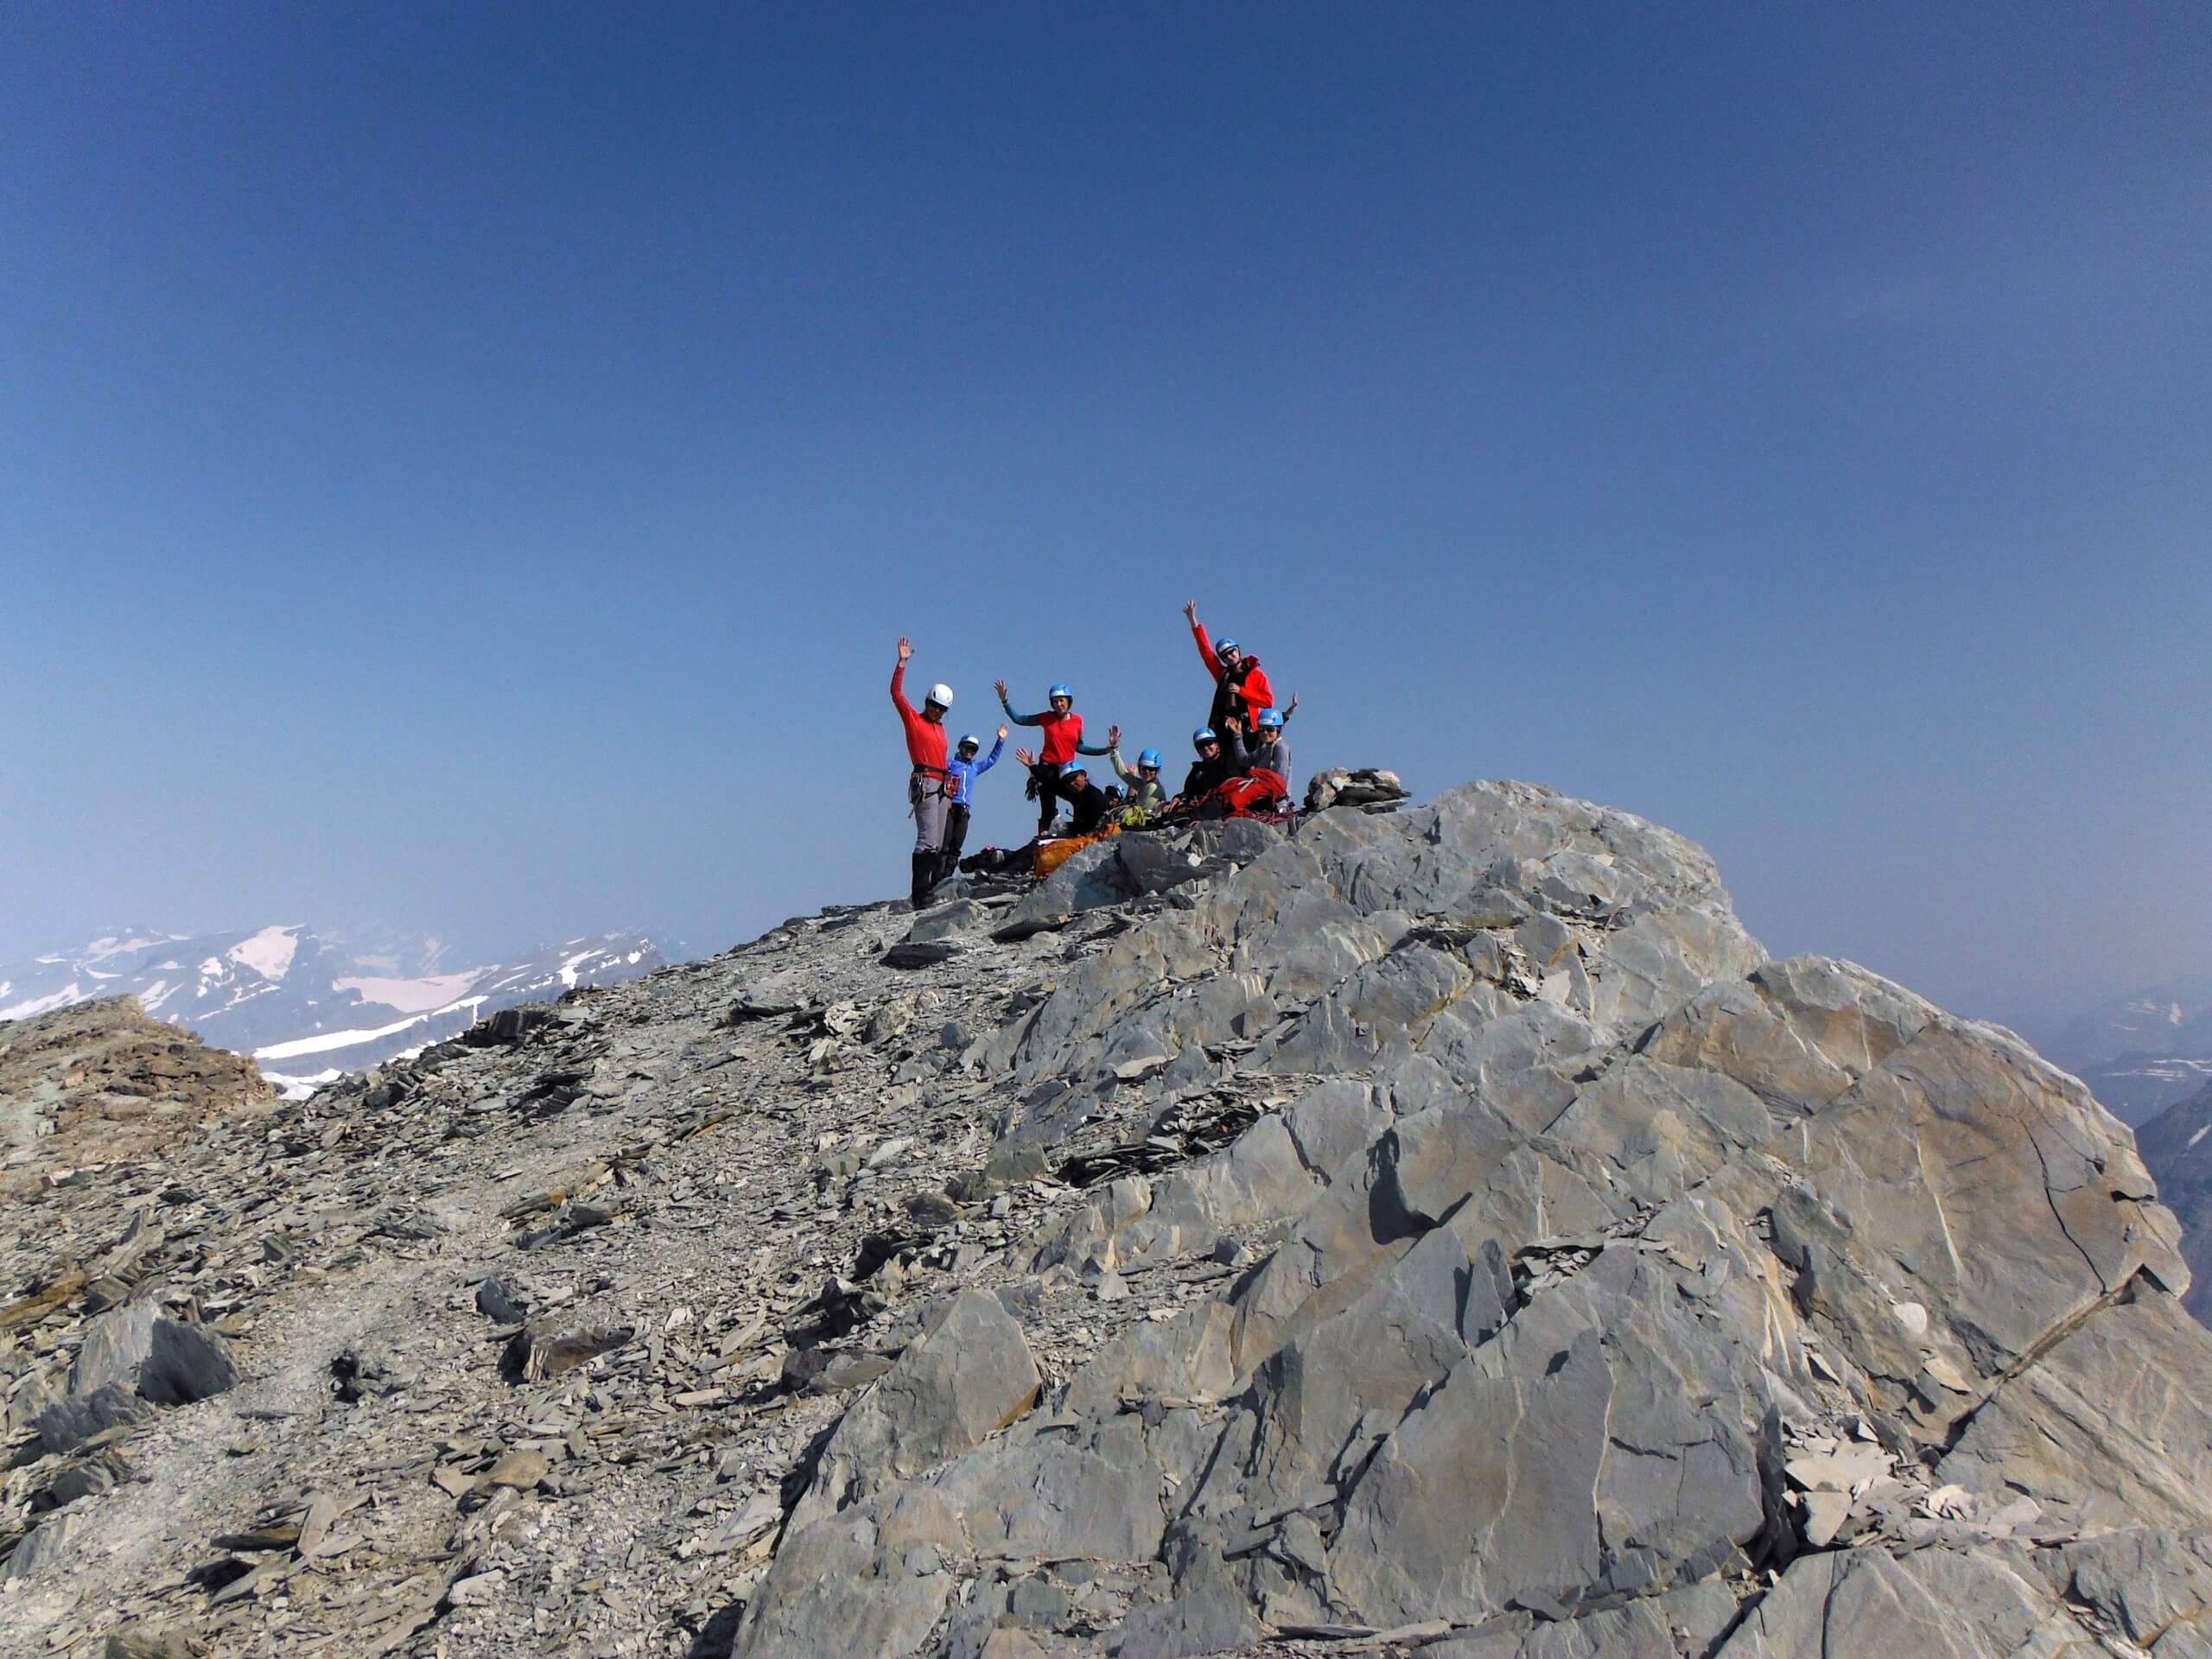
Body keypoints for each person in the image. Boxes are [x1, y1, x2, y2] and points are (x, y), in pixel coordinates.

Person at [997, 677, 1113, 834]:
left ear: (1069, 701)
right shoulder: (1047, 718)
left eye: (1061, 700)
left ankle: (1080, 830)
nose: (1058, 704)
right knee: (1048, 806)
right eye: (1055, 701)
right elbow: (1020, 719)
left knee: (1079, 799)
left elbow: (1079, 747)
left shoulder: (1078, 720)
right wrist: (1005, 702)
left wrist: (1105, 750)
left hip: (1068, 771)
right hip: (1047, 767)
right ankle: (1044, 837)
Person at [890, 638, 956, 907]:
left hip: (942, 783)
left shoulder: (940, 729)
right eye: (934, 705)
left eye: (942, 709)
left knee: (938, 842)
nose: (936, 711)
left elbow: (943, 757)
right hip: (926, 781)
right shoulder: (914, 721)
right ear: (927, 701)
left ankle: (928, 889)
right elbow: (897, 695)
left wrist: (950, 786)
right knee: (927, 840)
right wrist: (902, 664)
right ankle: (920, 894)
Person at [1184, 599, 1275, 740]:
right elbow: (1206, 653)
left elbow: (1268, 701)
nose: (1230, 656)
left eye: (1232, 651)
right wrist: (1193, 621)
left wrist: (1241, 691)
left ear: (1238, 650)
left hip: (1252, 730)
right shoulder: (1223, 675)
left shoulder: (1256, 674)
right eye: (1225, 655)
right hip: (1227, 729)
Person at [938, 725, 1008, 885]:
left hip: (963, 810)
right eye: (967, 748)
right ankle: (935, 881)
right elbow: (936, 771)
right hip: (949, 808)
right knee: (944, 845)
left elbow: (991, 760)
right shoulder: (949, 763)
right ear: (961, 747)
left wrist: (1001, 740)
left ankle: (945, 881)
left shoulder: (974, 767)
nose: (970, 751)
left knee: (956, 847)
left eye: (973, 749)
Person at [1013, 754, 1110, 836]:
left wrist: (1064, 828)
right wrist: (1032, 766)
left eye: (1074, 778)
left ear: (1084, 775)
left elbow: (1089, 826)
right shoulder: (1076, 795)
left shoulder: (1095, 797)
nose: (1072, 783)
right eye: (1068, 782)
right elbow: (1050, 784)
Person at [1108, 741, 1167, 823]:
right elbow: (1122, 772)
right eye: (1144, 768)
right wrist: (1114, 749)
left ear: (1157, 771)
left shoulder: (1153, 788)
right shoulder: (1143, 783)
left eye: (1151, 769)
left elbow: (1140, 810)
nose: (1147, 771)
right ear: (1140, 768)